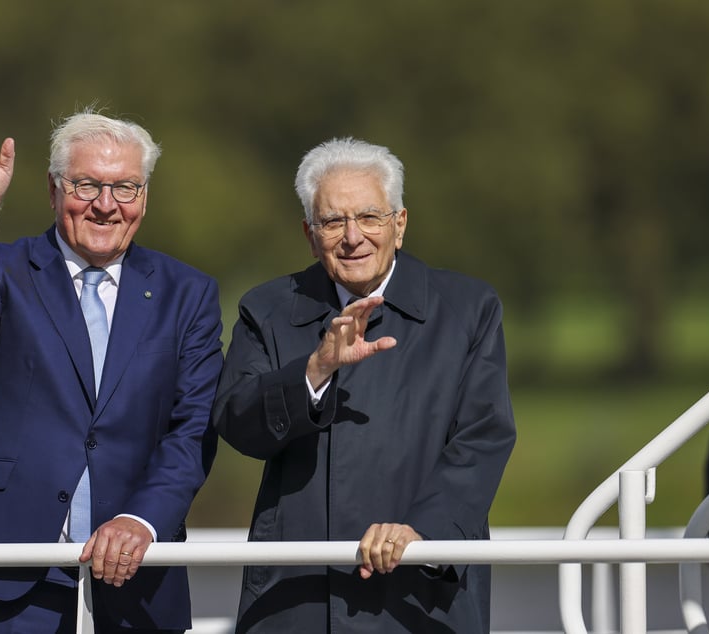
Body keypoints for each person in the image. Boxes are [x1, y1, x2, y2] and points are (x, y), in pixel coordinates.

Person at [0, 108, 223, 633]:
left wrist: (141, 520)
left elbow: (192, 428)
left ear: (144, 197)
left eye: (125, 188)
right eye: (87, 185)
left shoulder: (187, 293)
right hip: (6, 574)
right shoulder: (5, 271)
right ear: (54, 190)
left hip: (134, 575)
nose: (106, 206)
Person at [212, 137, 517, 632]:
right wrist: (314, 371)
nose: (353, 237)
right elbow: (237, 423)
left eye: (369, 218)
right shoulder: (265, 310)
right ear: (310, 235)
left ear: (399, 225)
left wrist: (423, 532)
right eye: (333, 222)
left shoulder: (469, 308)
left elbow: (483, 437)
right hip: (299, 596)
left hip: (420, 593)